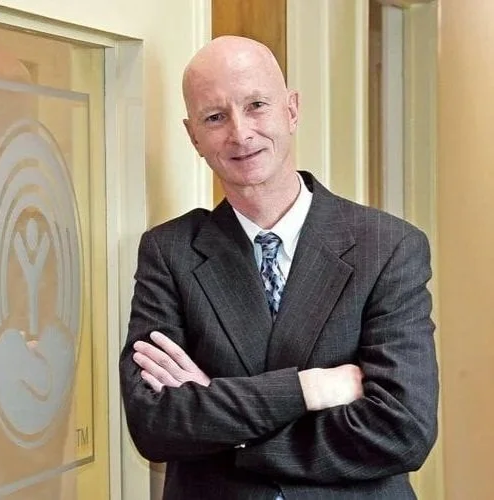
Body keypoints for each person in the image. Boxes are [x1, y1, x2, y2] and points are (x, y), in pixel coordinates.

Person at [119, 35, 438, 500]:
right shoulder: (170, 251)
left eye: (256, 106)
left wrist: (229, 427)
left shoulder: (388, 246)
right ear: (193, 137)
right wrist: (309, 388)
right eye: (215, 117)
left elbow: (402, 430)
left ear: (291, 110)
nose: (240, 133)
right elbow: (154, 424)